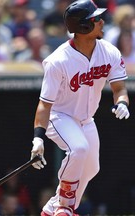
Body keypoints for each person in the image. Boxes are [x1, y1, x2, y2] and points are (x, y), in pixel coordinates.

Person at [30, 0, 130, 215]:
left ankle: (51, 208)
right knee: (79, 149)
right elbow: (45, 104)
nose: (102, 21)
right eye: (96, 19)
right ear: (83, 27)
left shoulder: (109, 51)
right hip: (59, 116)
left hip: (86, 120)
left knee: (92, 168)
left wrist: (121, 102)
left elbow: (119, 88)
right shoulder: (57, 60)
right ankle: (64, 206)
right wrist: (38, 137)